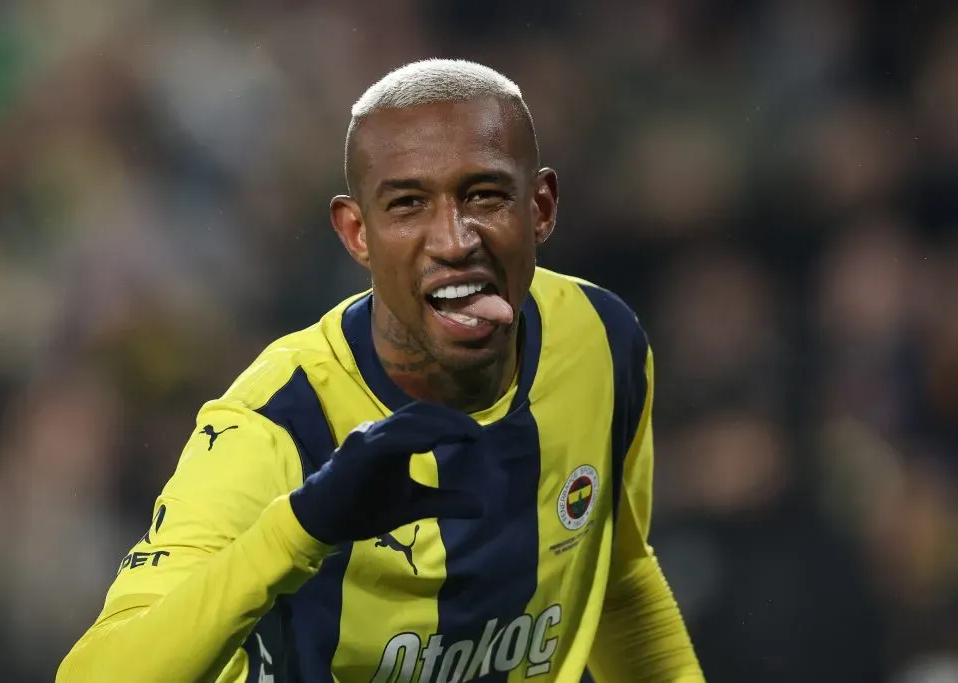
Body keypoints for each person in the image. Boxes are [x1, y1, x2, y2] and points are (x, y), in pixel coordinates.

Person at [57, 59, 705, 683]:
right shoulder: (278, 422)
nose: (454, 239)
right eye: (408, 204)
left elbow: (614, 579)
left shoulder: (600, 339)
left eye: (484, 194)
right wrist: (301, 528)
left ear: (539, 207)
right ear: (356, 232)